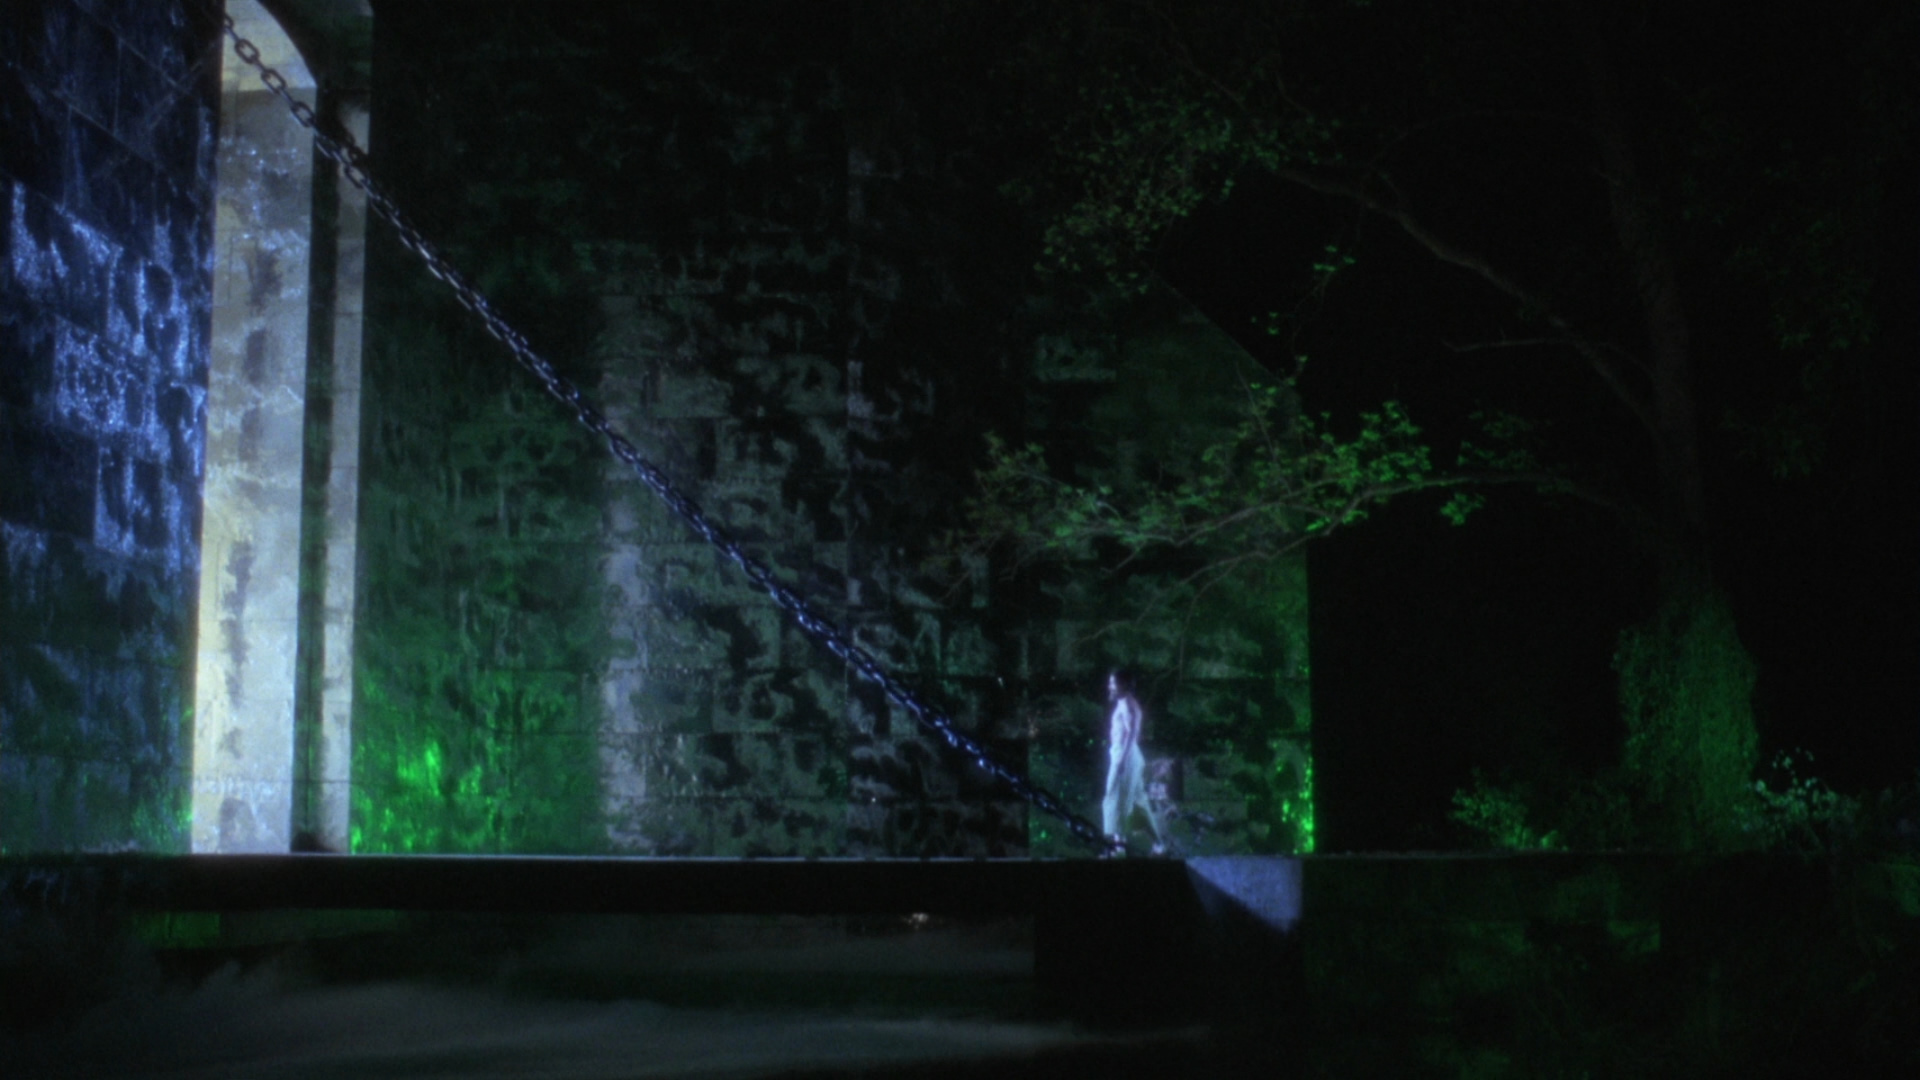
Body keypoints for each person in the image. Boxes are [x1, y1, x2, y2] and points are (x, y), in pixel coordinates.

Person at [1101, 668, 1167, 854]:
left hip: (1126, 757)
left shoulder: (1129, 705)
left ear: (1123, 684)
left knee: (1117, 798)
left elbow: (1132, 735)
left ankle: (1118, 848)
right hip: (1125, 755)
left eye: (1113, 683)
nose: (1110, 686)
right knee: (1138, 803)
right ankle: (1159, 845)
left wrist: (1122, 760)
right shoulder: (1123, 703)